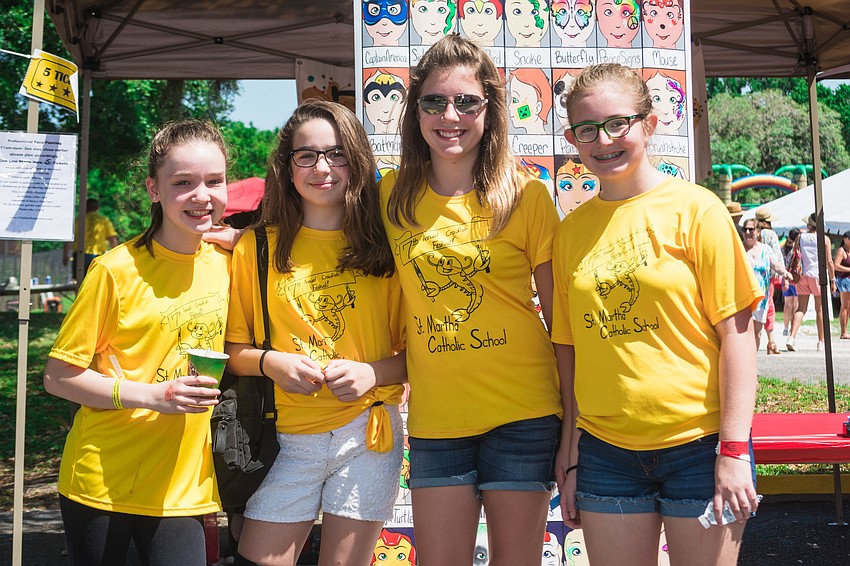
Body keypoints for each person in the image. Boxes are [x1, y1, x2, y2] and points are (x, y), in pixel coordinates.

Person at [552, 63, 762, 566]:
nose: (603, 140)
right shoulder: (569, 232)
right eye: (587, 129)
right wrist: (572, 450)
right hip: (605, 454)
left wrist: (733, 450)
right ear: (571, 138)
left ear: (649, 123)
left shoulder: (698, 210)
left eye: (617, 123)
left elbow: (738, 336)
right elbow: (571, 351)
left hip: (702, 446)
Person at [381, 34, 563, 564]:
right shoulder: (389, 195)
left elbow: (562, 326)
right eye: (434, 101)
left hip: (524, 414)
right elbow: (320, 241)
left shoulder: (525, 195)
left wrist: (573, 422)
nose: (450, 115)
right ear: (416, 109)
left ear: (490, 108)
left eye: (467, 101)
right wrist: (245, 240)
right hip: (437, 422)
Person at [225, 100, 407, 566]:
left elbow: (423, 354)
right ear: (287, 168)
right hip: (284, 438)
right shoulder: (255, 246)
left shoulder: (389, 246)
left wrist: (372, 372)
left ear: (357, 161)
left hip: (369, 433)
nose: (322, 167)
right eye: (306, 155)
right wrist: (272, 363)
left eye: (337, 153)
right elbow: (232, 351)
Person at [43, 119, 231, 565]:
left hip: (183, 487)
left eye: (214, 181)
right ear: (154, 189)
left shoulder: (230, 264)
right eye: (182, 183)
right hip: (102, 479)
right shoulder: (114, 270)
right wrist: (153, 395)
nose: (202, 196)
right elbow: (58, 377)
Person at [740, 217, 792, 353]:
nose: (747, 232)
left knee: (757, 333)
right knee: (743, 333)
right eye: (745, 230)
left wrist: (785, 273)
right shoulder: (739, 249)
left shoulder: (766, 250)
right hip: (741, 298)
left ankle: (752, 365)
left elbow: (775, 264)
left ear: (758, 232)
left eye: (751, 229)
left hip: (761, 299)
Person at [786, 213, 836, 352]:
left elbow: (795, 255)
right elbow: (829, 261)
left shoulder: (800, 237)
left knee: (801, 308)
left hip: (802, 275)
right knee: (819, 309)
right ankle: (821, 341)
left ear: (809, 224)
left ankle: (792, 337)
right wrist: (833, 279)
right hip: (818, 276)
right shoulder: (824, 239)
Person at [62, 197, 119, 279]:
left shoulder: (79, 220)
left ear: (85, 207)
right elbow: (112, 239)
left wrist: (65, 255)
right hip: (98, 256)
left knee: (78, 282)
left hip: (80, 255)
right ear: (97, 208)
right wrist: (116, 256)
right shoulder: (103, 220)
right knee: (96, 281)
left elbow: (69, 239)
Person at [781, 228, 800, 336]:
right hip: (796, 278)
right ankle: (793, 327)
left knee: (787, 304)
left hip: (785, 278)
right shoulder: (796, 249)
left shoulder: (784, 247)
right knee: (795, 305)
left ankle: (785, 327)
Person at [834, 231, 850, 339]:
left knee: (848, 307)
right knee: (844, 306)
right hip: (844, 280)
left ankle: (845, 330)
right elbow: (836, 265)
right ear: (845, 239)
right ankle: (843, 332)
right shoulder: (841, 251)